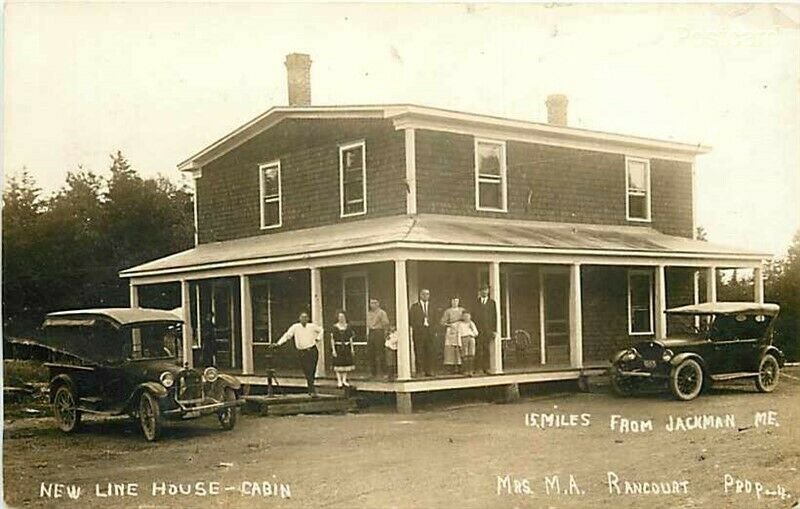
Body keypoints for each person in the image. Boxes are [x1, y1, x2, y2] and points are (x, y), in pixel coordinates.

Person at [274, 311, 323, 397]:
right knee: (307, 370)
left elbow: (321, 330)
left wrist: (318, 338)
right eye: (302, 318)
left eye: (305, 318)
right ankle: (311, 389)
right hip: (302, 352)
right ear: (299, 319)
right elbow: (287, 335)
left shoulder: (312, 326)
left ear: (308, 319)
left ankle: (311, 388)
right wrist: (278, 343)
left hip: (312, 350)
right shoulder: (295, 327)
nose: (304, 319)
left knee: (312, 370)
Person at [473, 284, 497, 374]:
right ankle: (478, 368)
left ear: (488, 291)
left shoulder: (492, 303)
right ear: (480, 292)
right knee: (478, 349)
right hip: (478, 330)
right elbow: (474, 316)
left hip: (488, 330)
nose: (484, 291)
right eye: (482, 290)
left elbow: (494, 317)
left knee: (486, 349)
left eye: (486, 290)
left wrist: (494, 330)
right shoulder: (476, 302)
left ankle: (486, 368)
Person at [409, 289, 433, 377]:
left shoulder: (432, 306)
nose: (426, 296)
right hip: (419, 332)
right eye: (424, 294)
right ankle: (420, 370)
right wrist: (418, 327)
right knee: (419, 351)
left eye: (427, 294)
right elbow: (411, 319)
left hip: (429, 331)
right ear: (420, 295)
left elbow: (435, 318)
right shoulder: (415, 306)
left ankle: (429, 370)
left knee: (429, 351)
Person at [330, 310, 355, 388]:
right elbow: (332, 339)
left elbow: (350, 339)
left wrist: (352, 348)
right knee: (338, 364)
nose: (341, 318)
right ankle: (339, 380)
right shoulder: (334, 327)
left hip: (346, 347)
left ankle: (344, 380)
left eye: (343, 317)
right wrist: (333, 350)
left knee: (345, 364)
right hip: (338, 347)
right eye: (340, 317)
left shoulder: (348, 327)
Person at [440, 296, 465, 374]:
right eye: (453, 301)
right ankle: (451, 367)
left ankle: (459, 366)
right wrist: (449, 325)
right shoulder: (448, 311)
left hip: (460, 330)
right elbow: (442, 322)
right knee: (450, 349)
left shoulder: (462, 310)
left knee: (459, 348)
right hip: (451, 330)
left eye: (456, 301)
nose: (455, 302)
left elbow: (466, 319)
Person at [366, 298, 390, 377]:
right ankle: (373, 373)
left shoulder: (382, 313)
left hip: (379, 332)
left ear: (378, 303)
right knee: (371, 353)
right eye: (371, 303)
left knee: (380, 352)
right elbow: (368, 324)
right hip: (371, 332)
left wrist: (385, 333)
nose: (373, 304)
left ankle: (384, 372)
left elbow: (385, 323)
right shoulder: (369, 313)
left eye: (375, 303)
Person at [456, 310, 479, 376]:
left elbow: (476, 333)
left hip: (471, 338)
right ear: (463, 317)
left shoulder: (472, 323)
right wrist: (459, 343)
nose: (466, 318)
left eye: (468, 316)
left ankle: (470, 370)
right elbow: (459, 334)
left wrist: (472, 329)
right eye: (465, 316)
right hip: (464, 338)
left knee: (471, 354)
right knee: (464, 355)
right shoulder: (460, 324)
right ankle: (465, 370)